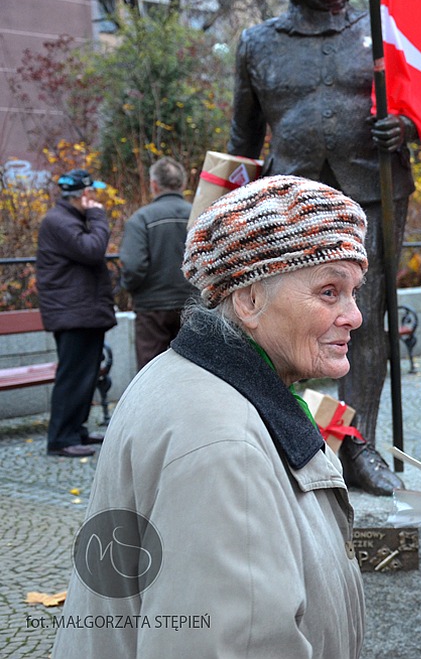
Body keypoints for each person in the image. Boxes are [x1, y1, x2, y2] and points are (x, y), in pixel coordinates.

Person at [52, 175, 367, 658]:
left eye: (354, 292)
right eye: (329, 292)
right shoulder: (226, 445)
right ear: (249, 301)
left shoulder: (189, 375)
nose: (354, 315)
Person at [227, 0, 414, 495]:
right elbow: (242, 137)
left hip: (374, 190)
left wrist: (406, 129)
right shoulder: (257, 42)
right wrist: (223, 214)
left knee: (363, 318)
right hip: (289, 201)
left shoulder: (384, 29)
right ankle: (286, 435)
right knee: (277, 320)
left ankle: (357, 444)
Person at [36, 169, 116, 458]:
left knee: (86, 374)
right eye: (92, 192)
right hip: (73, 312)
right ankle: (60, 438)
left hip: (82, 311)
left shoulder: (70, 219)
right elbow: (92, 249)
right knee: (73, 376)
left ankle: (76, 430)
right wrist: (97, 217)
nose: (96, 198)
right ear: (84, 194)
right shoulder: (59, 221)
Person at [119, 156, 198, 370]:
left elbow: (133, 266)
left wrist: (130, 288)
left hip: (152, 308)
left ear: (154, 185)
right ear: (183, 184)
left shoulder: (140, 219)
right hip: (193, 305)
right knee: (194, 371)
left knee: (151, 373)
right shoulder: (200, 216)